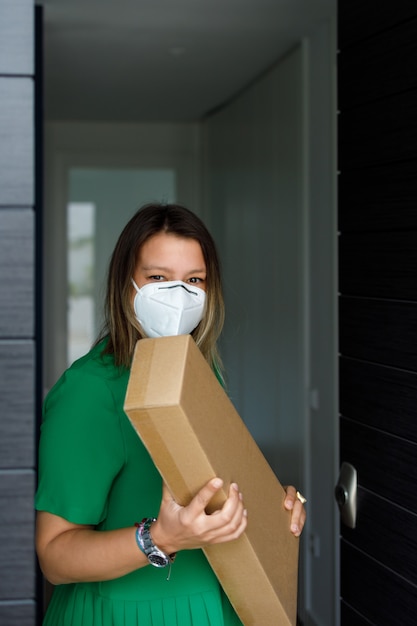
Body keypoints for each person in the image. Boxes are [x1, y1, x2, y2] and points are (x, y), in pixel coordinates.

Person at [35, 203, 306, 626]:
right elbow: (55, 556)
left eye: (193, 280)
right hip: (125, 612)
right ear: (126, 285)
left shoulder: (200, 371)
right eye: (158, 278)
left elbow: (211, 488)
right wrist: (160, 537)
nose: (178, 295)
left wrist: (273, 507)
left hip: (216, 603)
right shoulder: (89, 391)